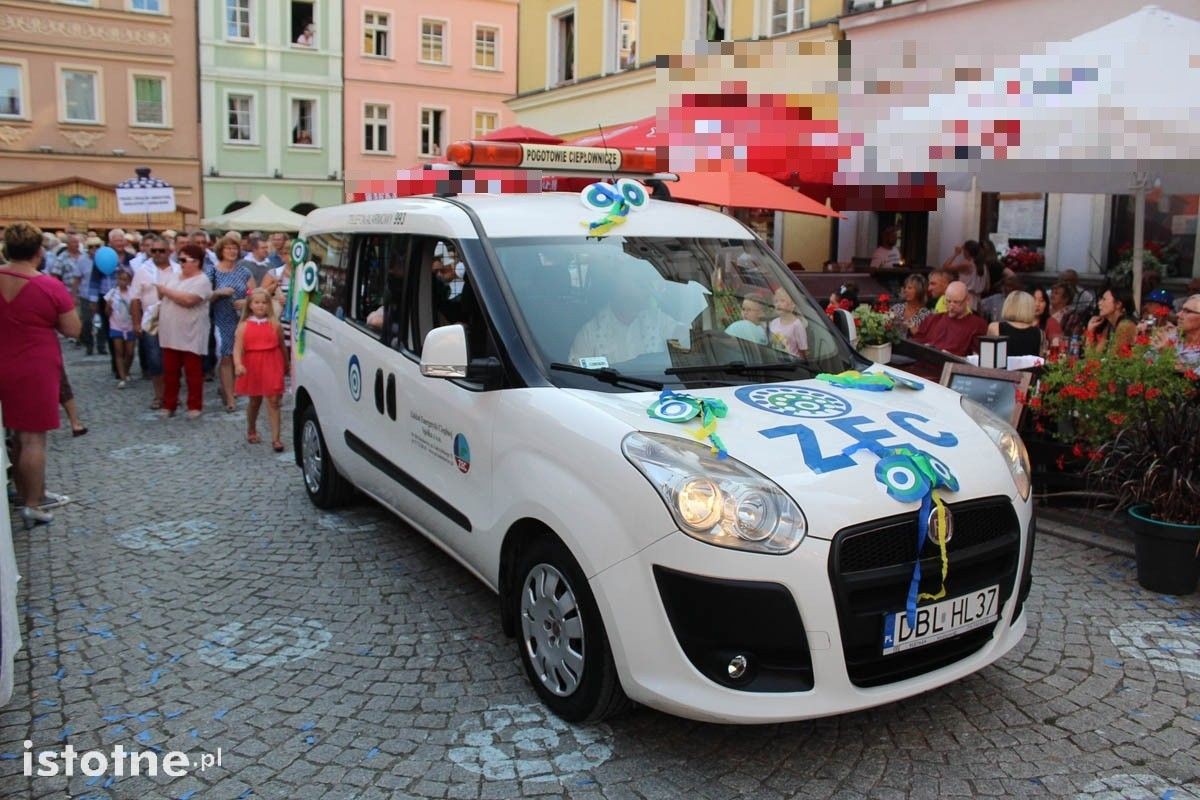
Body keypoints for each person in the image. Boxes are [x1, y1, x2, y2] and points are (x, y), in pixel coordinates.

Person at [0, 222, 82, 528]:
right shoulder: (48, 286)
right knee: (32, 438)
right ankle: (33, 503)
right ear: (39, 252)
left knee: (14, 436)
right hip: (34, 364)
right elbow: (73, 329)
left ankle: (22, 491)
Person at [568, 260, 688, 365]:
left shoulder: (657, 319)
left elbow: (685, 338)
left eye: (647, 283)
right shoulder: (590, 333)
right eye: (640, 283)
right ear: (620, 287)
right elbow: (577, 376)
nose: (647, 289)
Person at [156, 244, 213, 419]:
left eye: (183, 260)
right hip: (170, 332)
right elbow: (160, 296)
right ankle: (169, 404)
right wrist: (165, 291)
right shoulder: (174, 277)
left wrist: (166, 291)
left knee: (193, 372)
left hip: (191, 333)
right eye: (179, 259)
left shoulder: (202, 280)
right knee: (170, 372)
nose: (180, 263)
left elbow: (189, 300)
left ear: (196, 262)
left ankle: (194, 405)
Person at [234, 288, 287, 451]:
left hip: (272, 361)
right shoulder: (243, 326)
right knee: (255, 400)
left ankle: (276, 439)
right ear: (250, 305)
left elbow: (282, 346)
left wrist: (287, 364)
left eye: (264, 303)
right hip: (252, 363)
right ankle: (251, 428)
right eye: (257, 303)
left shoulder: (275, 324)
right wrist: (238, 364)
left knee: (273, 400)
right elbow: (237, 348)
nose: (261, 306)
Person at [130, 236, 179, 409]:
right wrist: (136, 323)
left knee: (172, 360)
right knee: (154, 359)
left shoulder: (178, 270)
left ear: (169, 251)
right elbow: (135, 298)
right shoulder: (143, 270)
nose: (157, 254)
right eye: (154, 251)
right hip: (151, 321)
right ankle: (159, 395)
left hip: (174, 320)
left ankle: (173, 393)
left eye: (161, 250)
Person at [211, 235, 256, 412]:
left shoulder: (244, 272)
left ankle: (230, 388)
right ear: (221, 251)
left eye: (234, 248)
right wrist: (218, 293)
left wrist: (246, 301)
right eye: (228, 248)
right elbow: (204, 295)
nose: (231, 251)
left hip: (242, 319)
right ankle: (230, 398)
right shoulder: (212, 271)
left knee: (240, 354)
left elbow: (255, 293)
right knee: (226, 355)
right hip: (221, 319)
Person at [911, 281, 987, 356]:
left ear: (967, 300)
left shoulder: (977, 324)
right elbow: (915, 343)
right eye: (948, 301)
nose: (951, 306)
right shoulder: (933, 319)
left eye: (956, 302)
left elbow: (976, 359)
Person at [104, 268, 137, 387]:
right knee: (118, 352)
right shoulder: (112, 294)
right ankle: (122, 377)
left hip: (130, 325)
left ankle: (126, 370)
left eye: (125, 280)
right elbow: (106, 314)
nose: (122, 282)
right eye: (120, 279)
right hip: (116, 325)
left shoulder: (133, 293)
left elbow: (136, 310)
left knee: (130, 352)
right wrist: (108, 307)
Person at [985, 290, 1042, 358]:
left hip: (1000, 369)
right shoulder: (1039, 333)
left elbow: (987, 358)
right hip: (1029, 369)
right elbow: (1041, 361)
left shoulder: (994, 328)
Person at [1151, 294, 1200, 371]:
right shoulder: (1169, 338)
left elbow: (1194, 378)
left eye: (1187, 311)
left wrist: (1168, 354)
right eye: (1181, 310)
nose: (1178, 314)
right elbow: (1144, 366)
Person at [1085, 287, 1137, 353]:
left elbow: (1114, 359)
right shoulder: (1109, 326)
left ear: (1118, 304)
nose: (1099, 303)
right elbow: (1093, 356)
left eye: (1104, 299)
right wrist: (1090, 330)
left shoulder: (1126, 326)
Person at [943, 241, 987, 310]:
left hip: (967, 297)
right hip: (978, 298)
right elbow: (987, 286)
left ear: (967, 252)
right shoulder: (983, 265)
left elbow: (946, 267)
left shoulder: (967, 264)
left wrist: (956, 254)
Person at [768, 287, 808, 357]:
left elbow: (803, 350)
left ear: (793, 304)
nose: (778, 304)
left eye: (782, 301)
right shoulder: (773, 322)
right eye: (776, 301)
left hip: (790, 364)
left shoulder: (797, 325)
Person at [1031, 286, 1063, 355]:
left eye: (1041, 301)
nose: (1037, 304)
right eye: (1033, 300)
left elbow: (1058, 350)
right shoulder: (1018, 322)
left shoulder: (1051, 323)